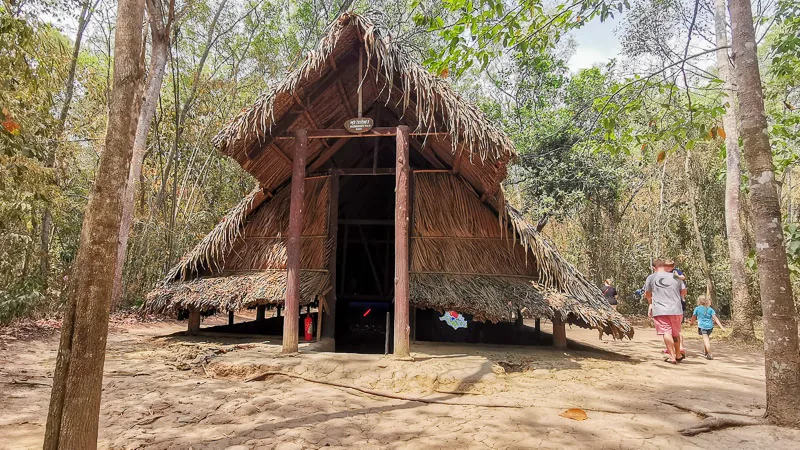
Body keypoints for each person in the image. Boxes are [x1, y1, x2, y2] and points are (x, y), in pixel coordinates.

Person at [645, 259, 687, 364]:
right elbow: (684, 292)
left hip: (660, 310)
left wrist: (650, 303)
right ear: (664, 266)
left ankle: (672, 356)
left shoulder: (651, 277)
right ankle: (678, 354)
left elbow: (647, 294)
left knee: (666, 332)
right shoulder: (675, 276)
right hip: (676, 309)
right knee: (675, 333)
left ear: (653, 268)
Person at [691, 295, 727, 360]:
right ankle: (706, 352)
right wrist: (722, 327)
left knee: (706, 340)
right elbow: (715, 318)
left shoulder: (697, 309)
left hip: (702, 327)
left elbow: (693, 317)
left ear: (699, 301)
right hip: (710, 327)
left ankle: (710, 354)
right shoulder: (710, 309)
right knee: (706, 339)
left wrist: (691, 323)